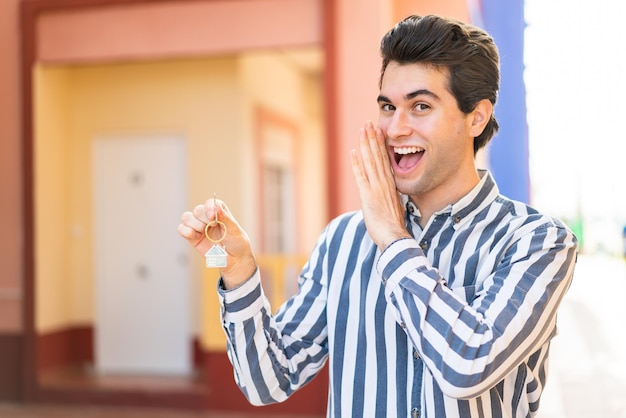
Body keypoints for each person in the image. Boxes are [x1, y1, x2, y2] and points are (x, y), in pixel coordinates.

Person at [178, 14, 578, 418]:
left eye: (420, 106)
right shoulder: (343, 240)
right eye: (388, 106)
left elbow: (468, 365)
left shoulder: (538, 241)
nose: (395, 128)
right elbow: (269, 381)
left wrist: (392, 238)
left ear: (475, 116)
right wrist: (241, 272)